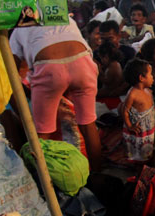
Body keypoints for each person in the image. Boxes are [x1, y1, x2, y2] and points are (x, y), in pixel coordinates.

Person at [9, 18, 101, 171]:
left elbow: (11, 74)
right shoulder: (64, 16)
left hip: (49, 68)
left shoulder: (18, 28)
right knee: (88, 124)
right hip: (83, 63)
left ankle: (41, 180)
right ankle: (98, 175)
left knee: (43, 133)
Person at [121, 58, 155, 164]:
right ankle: (141, 167)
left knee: (152, 146)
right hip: (141, 128)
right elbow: (125, 111)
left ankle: (151, 161)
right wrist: (130, 126)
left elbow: (153, 108)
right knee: (141, 153)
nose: (153, 77)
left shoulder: (148, 91)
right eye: (150, 75)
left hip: (151, 125)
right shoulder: (132, 94)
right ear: (141, 78)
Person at [95, 41, 128, 106]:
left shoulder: (113, 66)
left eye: (101, 58)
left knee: (93, 93)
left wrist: (99, 71)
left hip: (110, 90)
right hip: (109, 88)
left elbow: (106, 81)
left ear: (106, 57)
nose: (101, 61)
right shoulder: (113, 64)